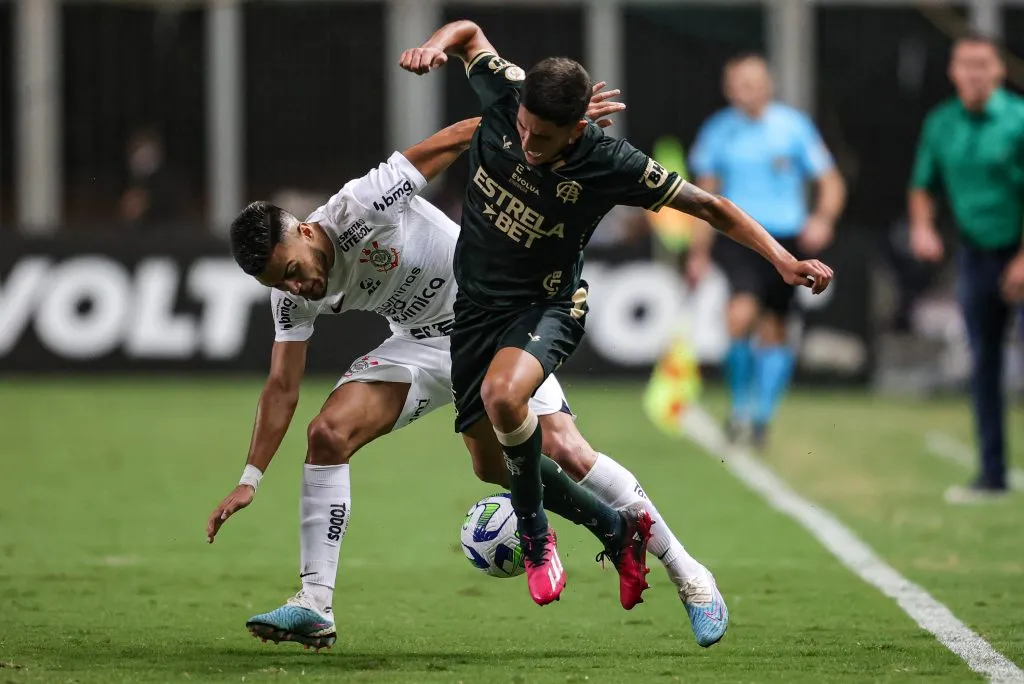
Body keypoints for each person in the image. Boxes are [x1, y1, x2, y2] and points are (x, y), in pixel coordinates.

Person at [205, 93, 727, 651]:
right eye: (278, 285)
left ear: (305, 233)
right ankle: (314, 604)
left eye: (292, 272)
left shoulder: (363, 204)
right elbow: (282, 386)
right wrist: (250, 477)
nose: (295, 287)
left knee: (564, 452)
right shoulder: (291, 297)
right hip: (419, 343)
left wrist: (554, 123)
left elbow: (463, 135)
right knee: (327, 434)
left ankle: (691, 576)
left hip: (493, 318)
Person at [399, 20, 832, 642]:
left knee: (506, 399)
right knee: (490, 462)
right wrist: (436, 47)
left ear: (578, 129)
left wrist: (783, 260)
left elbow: (710, 207)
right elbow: (470, 33)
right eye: (522, 127)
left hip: (545, 307)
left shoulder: (608, 161)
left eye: (543, 137)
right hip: (473, 312)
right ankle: (615, 529)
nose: (526, 143)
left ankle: (556, 541)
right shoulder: (508, 93)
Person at [686, 53, 847, 450]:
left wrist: (822, 220)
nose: (745, 91)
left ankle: (762, 417)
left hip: (788, 238)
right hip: (739, 237)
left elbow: (830, 181)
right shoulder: (718, 131)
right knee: (739, 316)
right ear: (728, 89)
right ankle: (741, 408)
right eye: (738, 83)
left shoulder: (793, 127)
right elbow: (702, 195)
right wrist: (698, 251)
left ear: (768, 85)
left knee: (775, 329)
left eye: (752, 82)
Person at [907, 33, 1024, 503]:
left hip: (1018, 247)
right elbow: (922, 185)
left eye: (983, 65)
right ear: (954, 72)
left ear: (999, 71)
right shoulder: (941, 124)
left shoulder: (1018, 119)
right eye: (965, 65)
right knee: (985, 363)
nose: (974, 74)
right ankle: (992, 476)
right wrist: (923, 227)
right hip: (976, 253)